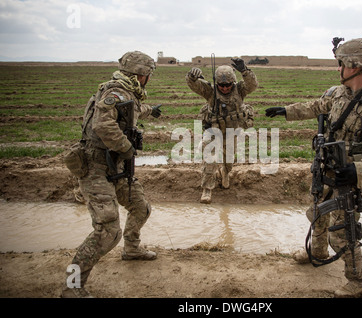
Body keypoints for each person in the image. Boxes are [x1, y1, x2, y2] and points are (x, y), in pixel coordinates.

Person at [265, 38, 362, 297]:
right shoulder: (339, 92)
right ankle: (318, 252)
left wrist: (360, 171)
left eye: (341, 62)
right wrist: (286, 111)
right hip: (328, 166)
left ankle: (358, 282)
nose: (338, 67)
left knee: (343, 233)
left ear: (353, 65)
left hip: (350, 177)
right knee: (318, 212)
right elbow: (316, 106)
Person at [61, 51, 162, 298]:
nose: (148, 79)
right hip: (96, 168)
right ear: (141, 75)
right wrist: (127, 148)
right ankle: (72, 287)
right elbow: (103, 125)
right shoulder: (115, 92)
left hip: (114, 166)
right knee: (108, 231)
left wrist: (152, 110)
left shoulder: (127, 93)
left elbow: (133, 109)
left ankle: (132, 250)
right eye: (148, 74)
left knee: (141, 207)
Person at [186, 58, 258, 204]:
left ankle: (225, 172)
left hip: (232, 130)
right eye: (221, 85)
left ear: (233, 82)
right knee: (210, 157)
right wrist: (192, 77)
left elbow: (253, 85)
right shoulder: (210, 91)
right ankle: (207, 189)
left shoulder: (240, 89)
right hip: (214, 129)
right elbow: (195, 85)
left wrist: (245, 71)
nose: (224, 88)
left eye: (228, 85)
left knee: (229, 160)